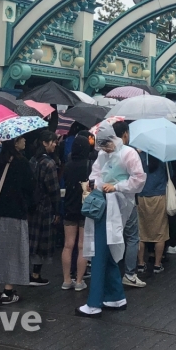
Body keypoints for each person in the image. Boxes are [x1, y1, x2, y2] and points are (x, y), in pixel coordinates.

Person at [75, 122, 145, 317]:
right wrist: (95, 184)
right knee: (105, 251)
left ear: (115, 138)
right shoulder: (103, 155)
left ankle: (94, 302)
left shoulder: (129, 154)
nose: (105, 148)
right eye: (101, 145)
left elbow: (139, 179)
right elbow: (95, 174)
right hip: (103, 203)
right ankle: (115, 296)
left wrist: (117, 187)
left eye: (107, 144)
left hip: (117, 206)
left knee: (99, 251)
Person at [0, 135, 34, 305]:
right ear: (15, 142)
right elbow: (30, 188)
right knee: (13, 251)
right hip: (16, 212)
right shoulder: (22, 162)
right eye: (22, 139)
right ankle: (8, 291)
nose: (25, 141)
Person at [112, 121, 146, 289]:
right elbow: (139, 179)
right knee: (132, 236)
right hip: (127, 199)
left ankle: (111, 271)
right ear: (125, 134)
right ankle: (130, 274)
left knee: (113, 235)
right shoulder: (130, 152)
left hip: (109, 200)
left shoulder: (106, 151)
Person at [28, 129, 60, 286]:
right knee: (42, 241)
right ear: (44, 143)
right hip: (45, 207)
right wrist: (57, 209)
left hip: (32, 206)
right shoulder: (49, 164)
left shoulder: (33, 160)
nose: (55, 144)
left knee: (33, 239)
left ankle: (31, 272)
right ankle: (35, 274)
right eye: (52, 141)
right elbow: (54, 190)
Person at [61, 131, 92, 291]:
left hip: (69, 207)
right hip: (85, 209)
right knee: (82, 246)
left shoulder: (68, 165)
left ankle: (67, 280)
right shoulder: (89, 165)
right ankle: (79, 281)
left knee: (68, 245)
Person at [136, 150, 169, 275]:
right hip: (159, 196)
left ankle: (140, 263)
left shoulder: (139, 157)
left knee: (141, 231)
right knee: (160, 231)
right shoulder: (162, 156)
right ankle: (157, 264)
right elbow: (170, 174)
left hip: (142, 196)